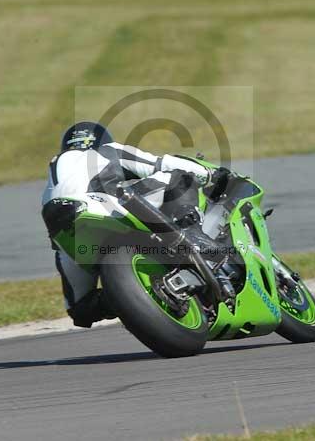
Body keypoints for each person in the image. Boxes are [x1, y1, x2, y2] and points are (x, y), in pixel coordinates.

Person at [41, 121, 226, 328]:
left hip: (63, 226)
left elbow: (80, 316)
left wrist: (122, 295)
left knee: (81, 309)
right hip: (103, 206)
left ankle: (126, 294)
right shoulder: (107, 150)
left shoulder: (55, 168)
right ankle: (194, 235)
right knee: (178, 177)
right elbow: (159, 164)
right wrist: (212, 174)